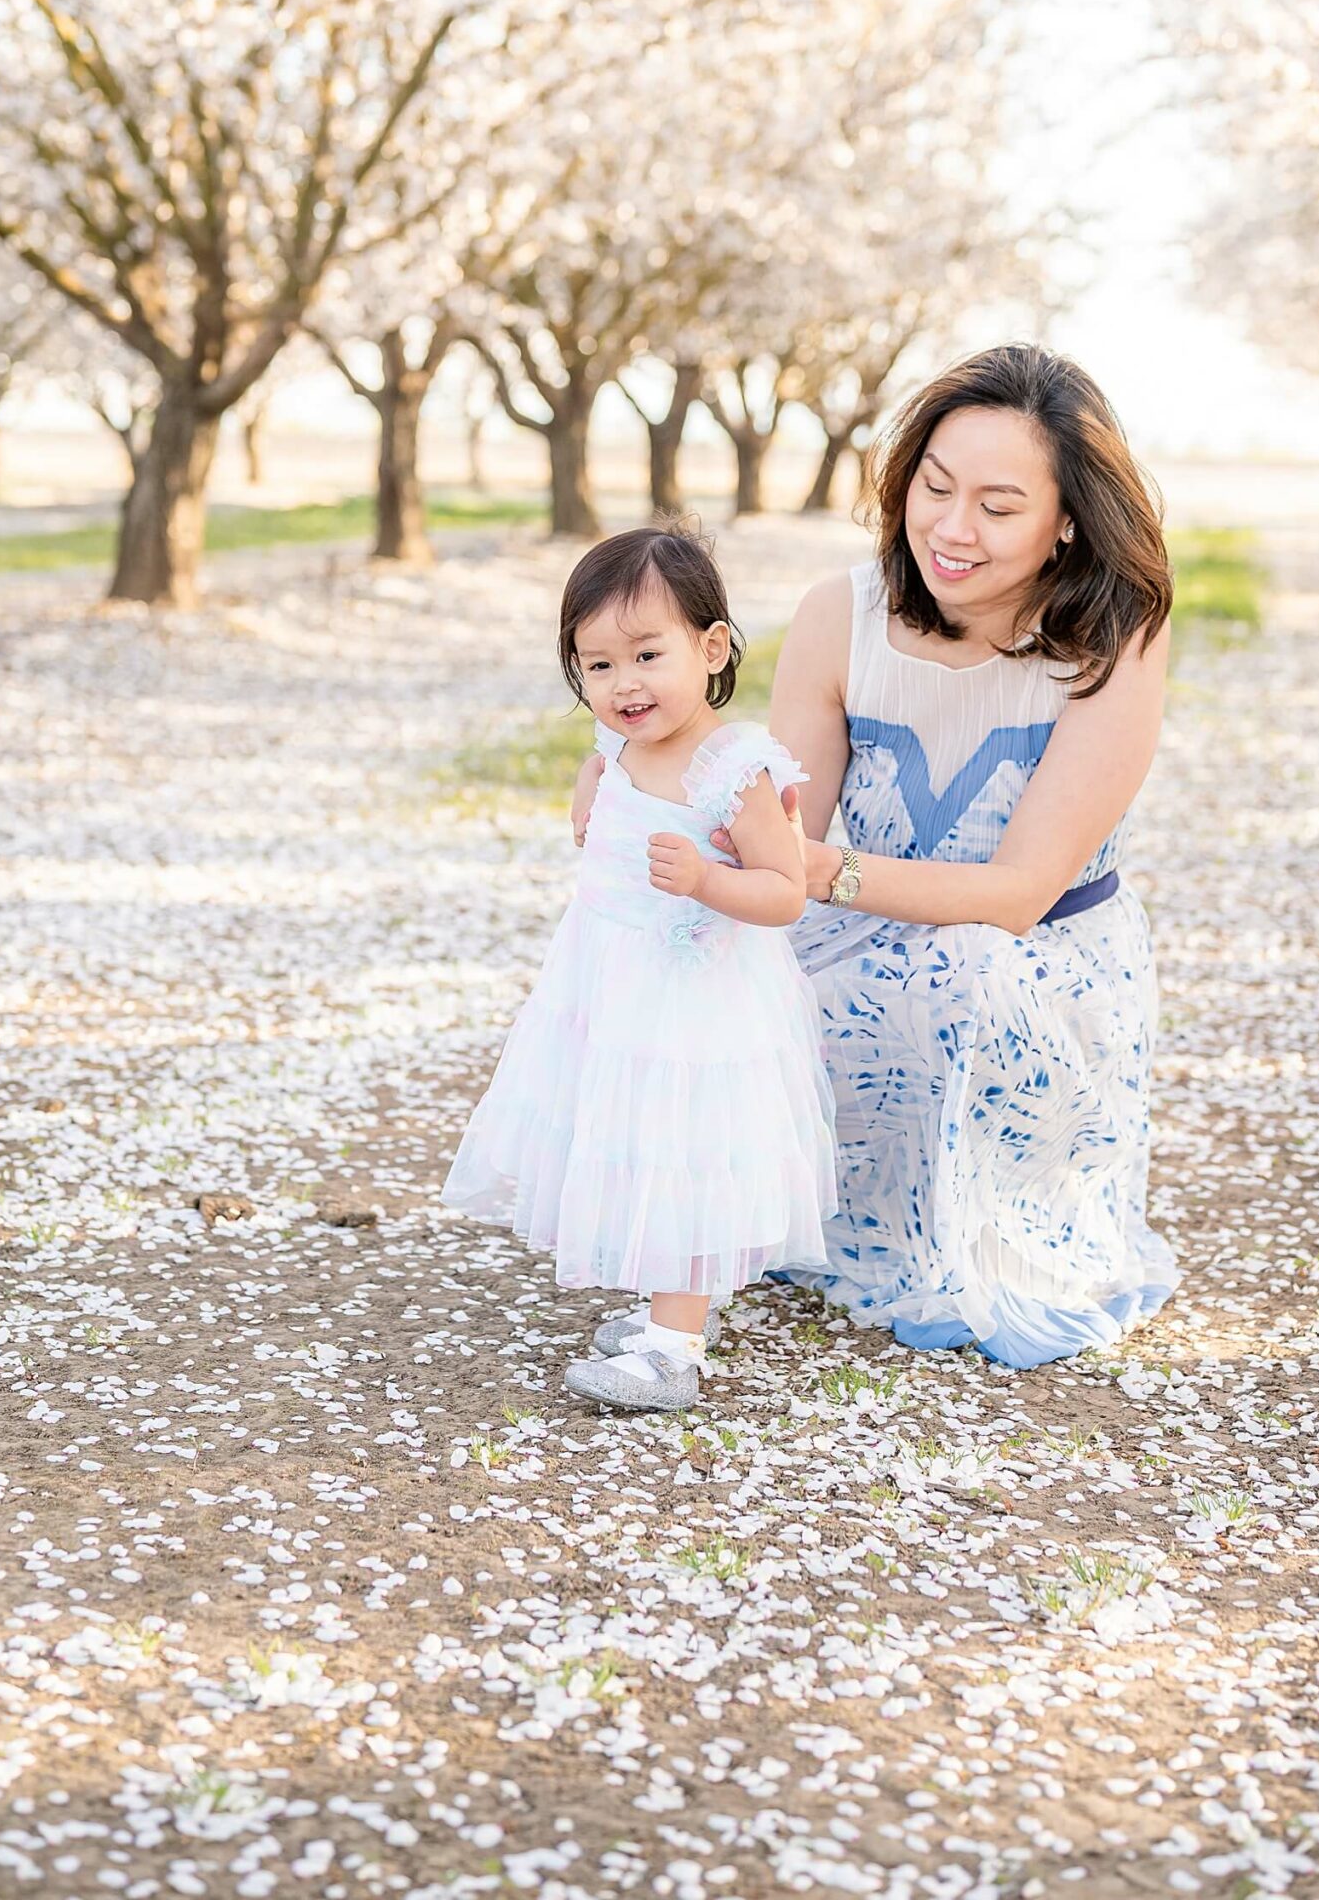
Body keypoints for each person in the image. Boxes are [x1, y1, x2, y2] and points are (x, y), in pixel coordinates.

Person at [765, 343, 1179, 1369]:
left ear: (1065, 519)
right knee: (731, 963)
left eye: (997, 506)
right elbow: (780, 827)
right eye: (933, 487)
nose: (950, 528)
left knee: (970, 966)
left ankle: (990, 1236)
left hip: (1040, 966)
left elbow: (1017, 894)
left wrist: (815, 876)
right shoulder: (840, 614)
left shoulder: (1112, 637)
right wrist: (632, 765)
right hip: (863, 944)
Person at [442, 523, 836, 1412]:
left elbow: (784, 892)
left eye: (648, 655)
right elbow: (608, 774)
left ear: (710, 647)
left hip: (693, 996)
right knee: (628, 1139)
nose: (625, 685)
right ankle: (665, 1306)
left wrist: (706, 879)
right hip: (611, 984)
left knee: (682, 1148)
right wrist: (594, 781)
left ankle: (672, 1346)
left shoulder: (735, 768)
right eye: (598, 664)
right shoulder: (619, 745)